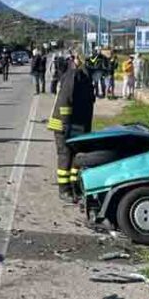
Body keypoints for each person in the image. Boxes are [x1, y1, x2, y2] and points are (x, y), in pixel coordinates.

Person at [47, 52, 95, 203]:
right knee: (65, 155)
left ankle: (75, 186)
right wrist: (67, 126)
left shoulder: (86, 78)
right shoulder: (74, 76)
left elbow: (86, 105)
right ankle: (64, 189)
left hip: (78, 124)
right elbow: (65, 101)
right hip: (63, 124)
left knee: (77, 155)